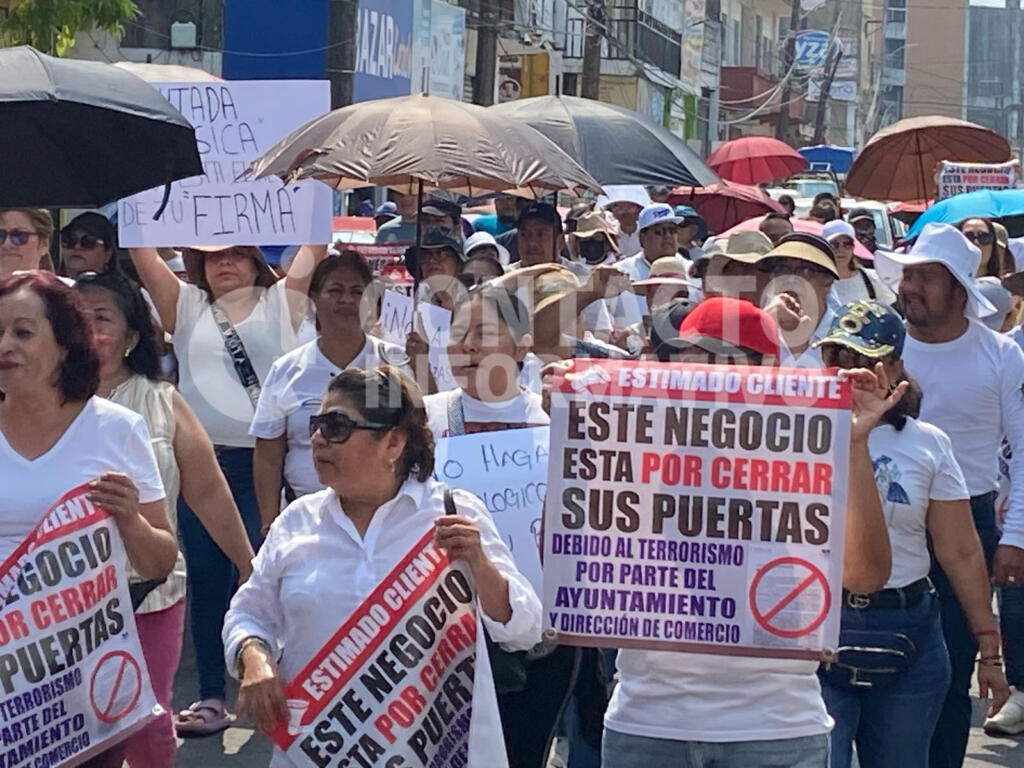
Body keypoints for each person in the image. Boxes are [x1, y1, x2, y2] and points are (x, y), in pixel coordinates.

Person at [602, 293, 897, 768]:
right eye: (690, 359)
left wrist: (855, 445)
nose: (705, 374)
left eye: (722, 359)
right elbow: (565, 561)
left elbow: (865, 577)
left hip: (775, 728)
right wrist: (573, 430)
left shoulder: (813, 454)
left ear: (767, 369)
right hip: (648, 722)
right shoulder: (633, 446)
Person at [223, 365, 542, 767]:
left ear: (393, 442)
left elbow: (524, 629)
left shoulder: (453, 513)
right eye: (316, 426)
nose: (318, 439)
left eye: (337, 427)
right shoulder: (295, 522)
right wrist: (253, 658)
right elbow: (248, 615)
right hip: (317, 753)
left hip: (433, 752)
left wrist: (479, 565)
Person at [128, 241, 325, 735]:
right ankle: (212, 695)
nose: (225, 263)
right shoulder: (186, 305)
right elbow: (142, 254)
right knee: (208, 580)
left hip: (261, 467)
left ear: (256, 263)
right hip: (200, 467)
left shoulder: (281, 302)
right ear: (199, 265)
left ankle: (273, 683)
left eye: (236, 253)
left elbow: (315, 243)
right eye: (213, 256)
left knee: (266, 578)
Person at [816, 300, 1009, 768]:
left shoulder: (927, 443)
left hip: (907, 630)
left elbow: (960, 550)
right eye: (836, 355)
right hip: (819, 631)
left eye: (864, 360)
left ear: (896, 366)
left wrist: (988, 647)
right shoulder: (797, 432)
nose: (848, 370)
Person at [74, 271, 256, 762]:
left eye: (101, 318)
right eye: (76, 318)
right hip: (62, 601)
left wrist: (247, 566)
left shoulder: (160, 400)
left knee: (146, 721)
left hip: (149, 593)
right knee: (74, 726)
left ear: (132, 337)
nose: (88, 330)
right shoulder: (34, 404)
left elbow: (207, 491)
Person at [0, 274, 179, 765]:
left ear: (64, 344)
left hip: (82, 690)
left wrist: (130, 520)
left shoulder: (117, 429)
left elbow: (160, 561)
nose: (5, 345)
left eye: (22, 332)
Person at [873, 222, 1024, 768]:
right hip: (883, 519)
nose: (911, 287)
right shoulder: (880, 348)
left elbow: (1023, 450)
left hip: (969, 528)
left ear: (960, 289)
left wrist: (1015, 537)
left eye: (927, 277)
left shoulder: (1001, 355)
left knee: (953, 670)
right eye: (907, 276)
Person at [252, 250, 411, 535]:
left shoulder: (396, 362)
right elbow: (268, 454)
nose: (347, 300)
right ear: (313, 300)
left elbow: (419, 436)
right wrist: (269, 522)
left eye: (357, 292)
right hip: (304, 524)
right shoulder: (286, 370)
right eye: (335, 290)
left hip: (387, 521)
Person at [758, 233, 839, 366]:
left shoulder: (847, 336)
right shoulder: (758, 331)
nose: (790, 279)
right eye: (781, 270)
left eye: (805, 271)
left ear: (827, 282)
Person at [822, 220, 896, 307]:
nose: (841, 249)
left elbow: (889, 309)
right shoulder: (816, 283)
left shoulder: (872, 279)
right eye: (834, 244)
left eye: (847, 244)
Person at [617, 204, 685, 282]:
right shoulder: (622, 272)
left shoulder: (691, 271)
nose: (668, 236)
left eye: (672, 230)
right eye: (659, 231)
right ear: (642, 238)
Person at [0, 207, 54, 280]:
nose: (7, 244)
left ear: (44, 244)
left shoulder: (63, 287)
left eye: (19, 235)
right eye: (0, 235)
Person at [60, 211, 118, 278]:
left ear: (108, 254)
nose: (77, 246)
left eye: (88, 242)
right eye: (70, 240)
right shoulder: (51, 283)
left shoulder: (120, 285)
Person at [598, 185, 652, 257]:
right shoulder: (610, 233)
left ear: (638, 209)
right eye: (619, 208)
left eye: (630, 207)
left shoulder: (648, 232)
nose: (624, 213)